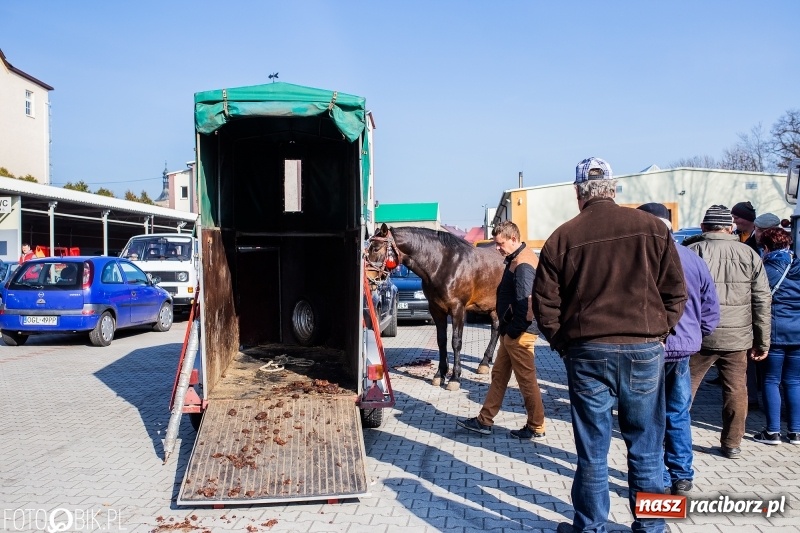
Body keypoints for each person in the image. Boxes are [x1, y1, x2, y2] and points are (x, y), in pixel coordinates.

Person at [533, 157, 686, 533]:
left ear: (578, 194)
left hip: (588, 352)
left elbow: (544, 305)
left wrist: (563, 344)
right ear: (614, 189)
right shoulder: (652, 228)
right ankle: (653, 527)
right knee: (649, 445)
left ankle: (590, 527)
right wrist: (658, 332)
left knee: (593, 451)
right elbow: (675, 292)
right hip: (644, 349)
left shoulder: (561, 237)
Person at [637, 203, 720, 497]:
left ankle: (656, 477)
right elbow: (711, 309)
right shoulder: (692, 258)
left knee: (649, 416)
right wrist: (694, 336)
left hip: (648, 348)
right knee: (678, 413)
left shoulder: (641, 261)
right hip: (682, 350)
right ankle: (682, 477)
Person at [686, 205, 771, 459]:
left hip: (700, 334)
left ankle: (674, 438)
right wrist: (762, 340)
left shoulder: (692, 251)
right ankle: (732, 443)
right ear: (730, 228)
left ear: (703, 227)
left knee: (684, 389)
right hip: (738, 337)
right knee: (736, 390)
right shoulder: (749, 254)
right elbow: (761, 299)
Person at [457, 220, 546, 440]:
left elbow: (528, 305)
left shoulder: (524, 264)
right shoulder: (516, 259)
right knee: (498, 375)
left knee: (526, 381)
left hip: (520, 334)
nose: (497, 248)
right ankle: (484, 421)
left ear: (514, 239)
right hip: (512, 333)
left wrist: (514, 331)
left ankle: (536, 427)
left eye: (500, 243)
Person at [753, 227, 800, 445]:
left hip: (775, 331)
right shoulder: (798, 265)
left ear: (766, 247)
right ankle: (796, 431)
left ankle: (772, 432)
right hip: (798, 332)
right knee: (794, 382)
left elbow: (759, 299)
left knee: (771, 380)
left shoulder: (768, 269)